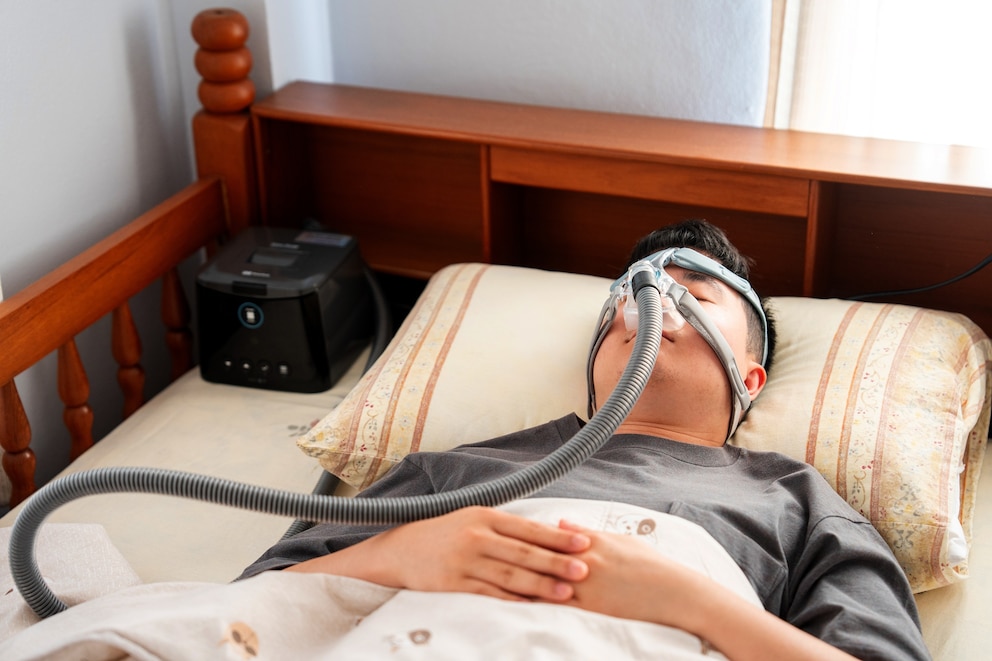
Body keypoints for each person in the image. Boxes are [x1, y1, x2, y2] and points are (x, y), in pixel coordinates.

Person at [240, 220, 930, 661]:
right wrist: (407, 551)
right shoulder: (457, 470)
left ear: (750, 377)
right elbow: (244, 607)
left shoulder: (800, 503)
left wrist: (687, 601)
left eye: (696, 289)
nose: (653, 294)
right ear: (599, 357)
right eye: (633, 290)